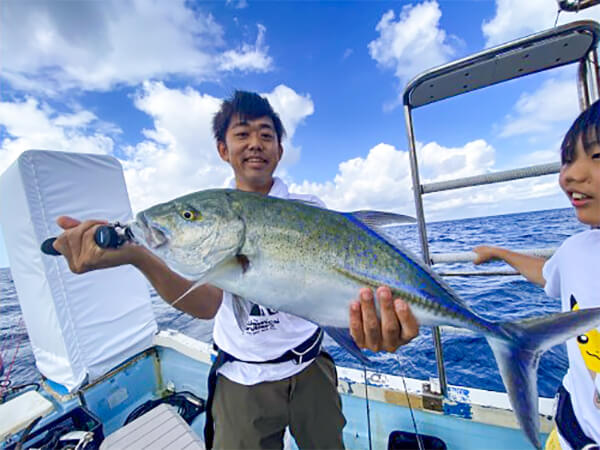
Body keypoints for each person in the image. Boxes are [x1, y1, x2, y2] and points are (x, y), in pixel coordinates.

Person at [53, 90, 419, 449]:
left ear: (279, 148)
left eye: (266, 134)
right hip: (241, 379)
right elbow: (209, 304)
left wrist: (377, 319)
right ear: (223, 149)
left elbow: (341, 292)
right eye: (242, 134)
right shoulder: (217, 213)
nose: (255, 143)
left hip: (312, 370)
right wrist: (138, 255)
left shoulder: (310, 209)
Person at [472, 99, 600, 450]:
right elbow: (547, 274)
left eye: (597, 157)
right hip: (569, 433)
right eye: (567, 160)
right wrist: (499, 252)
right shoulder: (577, 249)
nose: (571, 175)